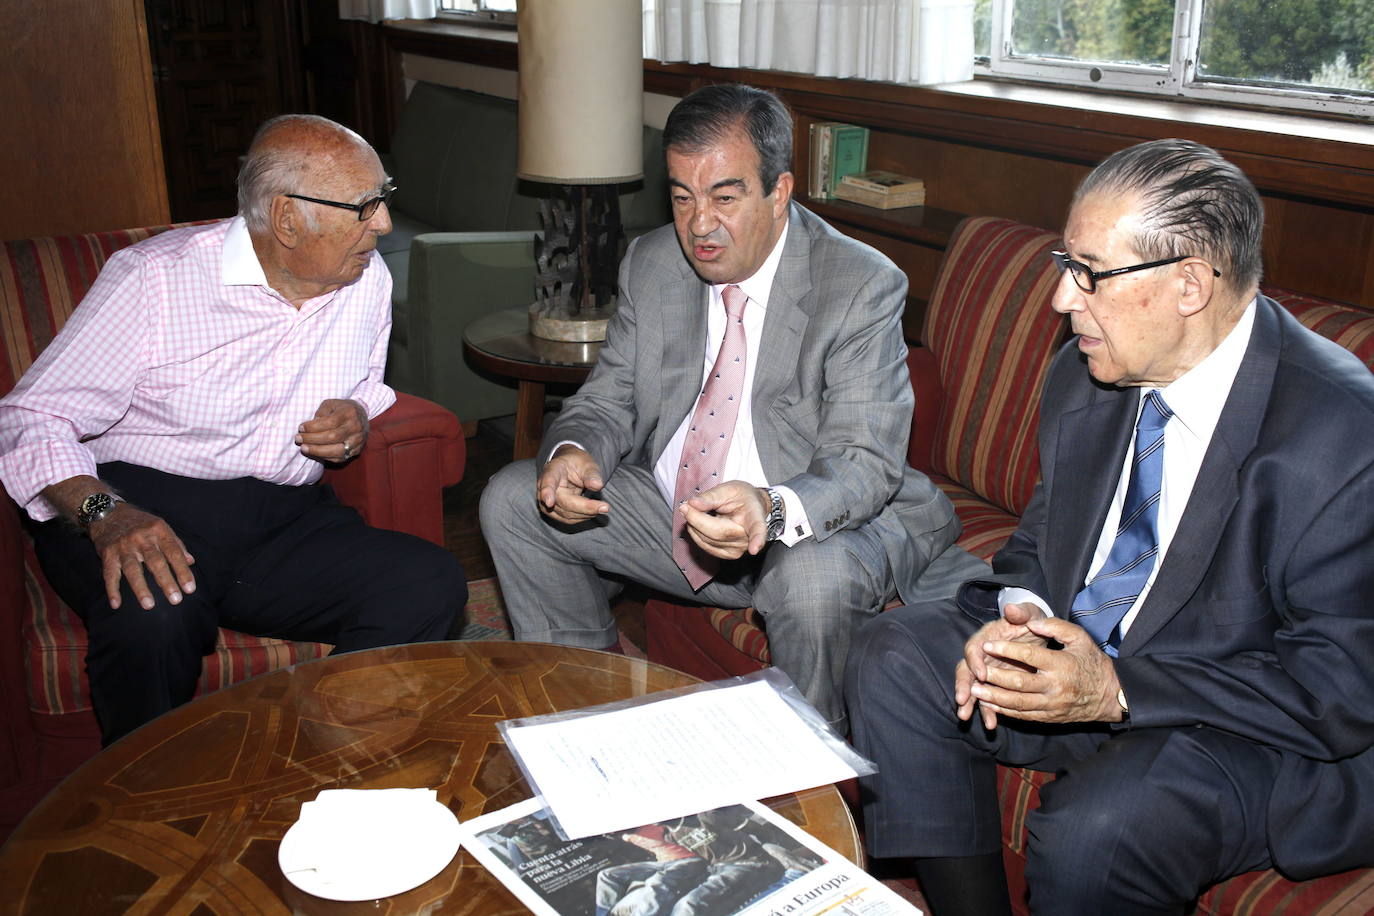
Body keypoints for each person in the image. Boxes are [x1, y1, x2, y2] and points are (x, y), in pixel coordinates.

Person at [845, 139, 1374, 915]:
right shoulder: (1089, 373)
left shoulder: (1342, 436)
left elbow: (1338, 687)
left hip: (1248, 718)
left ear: (1190, 284)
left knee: (1100, 829)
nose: (1062, 301)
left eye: (1090, 273)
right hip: (1106, 661)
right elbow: (1039, 544)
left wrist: (1117, 689)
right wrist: (1018, 618)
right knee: (894, 654)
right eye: (1066, 263)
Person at [480, 83, 978, 729]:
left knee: (811, 578)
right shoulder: (654, 261)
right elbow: (610, 396)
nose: (699, 225)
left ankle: (810, 781)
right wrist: (575, 451)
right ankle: (587, 712)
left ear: (779, 192)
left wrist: (770, 509)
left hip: (811, 522)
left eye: (725, 196)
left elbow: (864, 460)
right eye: (682, 196)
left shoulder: (858, 282)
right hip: (680, 515)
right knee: (514, 499)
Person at [0, 114, 466, 746]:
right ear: (286, 219)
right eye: (364, 206)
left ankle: (312, 749)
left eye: (384, 198)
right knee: (155, 617)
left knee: (429, 583)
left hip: (282, 521)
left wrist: (355, 415)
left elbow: (364, 384)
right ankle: (145, 794)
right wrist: (107, 514)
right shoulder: (155, 279)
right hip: (139, 504)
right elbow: (32, 416)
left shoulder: (364, 277)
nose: (382, 224)